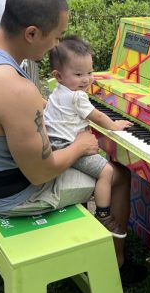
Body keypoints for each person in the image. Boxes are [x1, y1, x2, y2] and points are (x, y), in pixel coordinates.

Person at [0, 0, 144, 283]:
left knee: (88, 162)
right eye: (56, 36)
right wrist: (80, 146)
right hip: (12, 196)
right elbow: (41, 173)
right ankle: (116, 265)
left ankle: (89, 247)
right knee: (119, 176)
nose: (56, 45)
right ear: (31, 33)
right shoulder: (15, 89)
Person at [45, 36, 134, 238]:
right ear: (58, 76)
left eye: (90, 73)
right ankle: (103, 214)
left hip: (55, 145)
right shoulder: (77, 96)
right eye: (78, 74)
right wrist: (114, 125)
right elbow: (97, 116)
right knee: (107, 172)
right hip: (69, 149)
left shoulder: (58, 90)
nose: (86, 79)